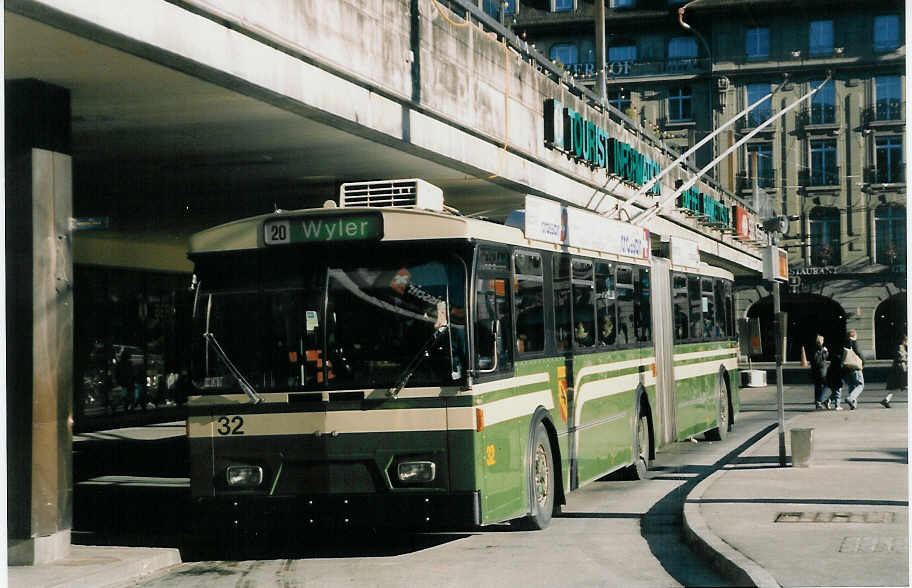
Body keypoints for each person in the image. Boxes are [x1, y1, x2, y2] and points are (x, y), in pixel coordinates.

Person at [882, 335, 907, 408]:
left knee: (897, 387)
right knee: (901, 385)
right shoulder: (900, 347)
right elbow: (900, 357)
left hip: (900, 368)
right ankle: (886, 400)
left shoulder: (901, 347)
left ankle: (886, 399)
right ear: (904, 341)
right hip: (900, 369)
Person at [843, 329, 864, 410]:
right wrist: (863, 362)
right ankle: (851, 398)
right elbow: (858, 352)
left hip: (847, 367)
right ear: (854, 335)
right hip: (855, 366)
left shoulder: (845, 343)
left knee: (852, 385)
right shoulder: (854, 342)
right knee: (860, 385)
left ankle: (853, 404)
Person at [809, 335, 829, 410]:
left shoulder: (812, 348)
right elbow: (823, 358)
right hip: (821, 370)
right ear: (820, 341)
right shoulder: (821, 348)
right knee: (827, 384)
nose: (823, 341)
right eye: (822, 340)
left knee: (817, 386)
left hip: (814, 370)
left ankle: (817, 403)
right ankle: (819, 400)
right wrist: (826, 351)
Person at [825, 344, 844, 410]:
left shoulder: (833, 360)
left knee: (835, 392)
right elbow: (840, 371)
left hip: (831, 379)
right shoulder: (839, 360)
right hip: (837, 379)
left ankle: (828, 401)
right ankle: (837, 405)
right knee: (838, 392)